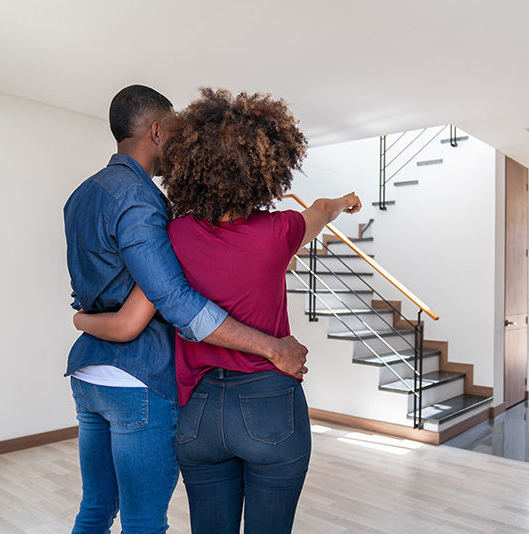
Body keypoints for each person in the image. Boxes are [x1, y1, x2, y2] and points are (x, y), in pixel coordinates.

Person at [74, 88, 361, 534]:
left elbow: (127, 293)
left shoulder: (171, 232)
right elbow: (319, 211)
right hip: (257, 401)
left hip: (192, 408)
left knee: (100, 509)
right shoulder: (277, 230)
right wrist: (344, 202)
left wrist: (82, 319)